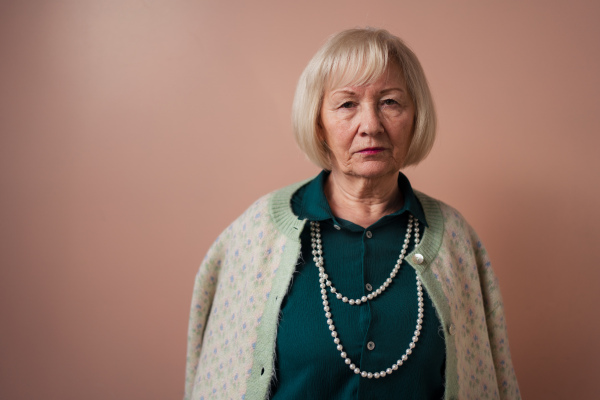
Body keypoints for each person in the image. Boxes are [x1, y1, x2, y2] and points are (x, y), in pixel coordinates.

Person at [184, 28, 520, 400]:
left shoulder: (454, 240)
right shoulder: (255, 234)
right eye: (347, 104)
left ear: (415, 116)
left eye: (390, 102)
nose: (371, 125)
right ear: (319, 124)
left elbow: (490, 381)